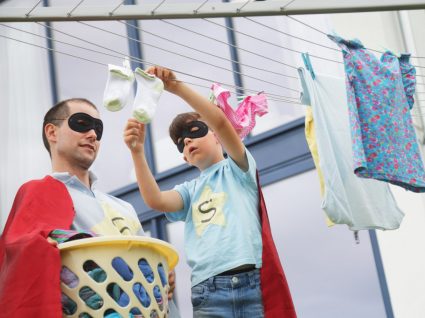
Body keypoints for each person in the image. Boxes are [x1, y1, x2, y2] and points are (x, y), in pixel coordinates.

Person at [124, 66, 297, 318]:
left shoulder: (238, 168)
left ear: (216, 136)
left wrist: (176, 87)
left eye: (195, 132)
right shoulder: (189, 191)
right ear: (184, 157)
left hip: (251, 282)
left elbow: (219, 121)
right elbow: (155, 200)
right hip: (208, 290)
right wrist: (137, 153)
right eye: (181, 143)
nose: (188, 141)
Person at [0, 98, 178, 317]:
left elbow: (149, 263)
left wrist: (163, 274)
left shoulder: (124, 207)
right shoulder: (37, 192)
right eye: (81, 123)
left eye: (98, 129)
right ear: (52, 132)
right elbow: (20, 259)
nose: (93, 134)